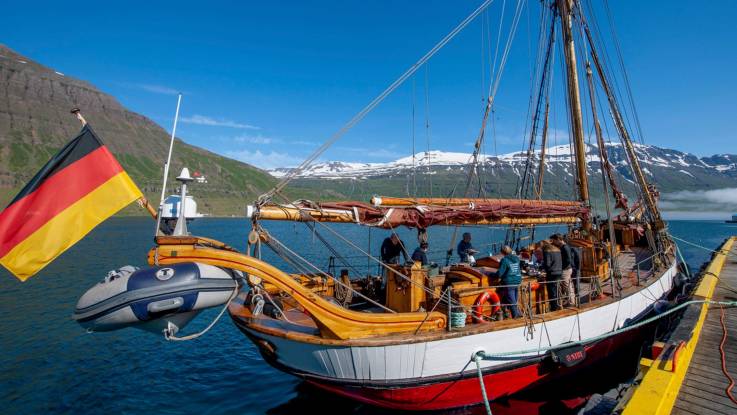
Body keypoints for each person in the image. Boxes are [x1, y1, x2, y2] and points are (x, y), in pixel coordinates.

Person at [496, 245, 522, 318]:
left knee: (512, 301)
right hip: (517, 281)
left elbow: (500, 274)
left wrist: (492, 274)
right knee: (514, 300)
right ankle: (519, 314)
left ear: (502, 252)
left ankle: (516, 317)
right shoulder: (517, 258)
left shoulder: (504, 260)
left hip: (509, 282)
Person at [551, 234, 575, 307]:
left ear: (558, 239)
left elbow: (568, 260)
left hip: (566, 270)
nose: (554, 242)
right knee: (568, 285)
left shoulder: (565, 248)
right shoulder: (563, 247)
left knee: (567, 286)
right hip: (566, 269)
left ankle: (571, 302)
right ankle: (570, 300)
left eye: (554, 240)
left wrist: (561, 267)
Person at [542, 239, 562, 311]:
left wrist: (543, 268)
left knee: (552, 291)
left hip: (552, 273)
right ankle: (558, 305)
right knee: (557, 290)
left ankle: (554, 308)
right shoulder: (557, 250)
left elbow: (547, 264)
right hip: (559, 272)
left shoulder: (547, 251)